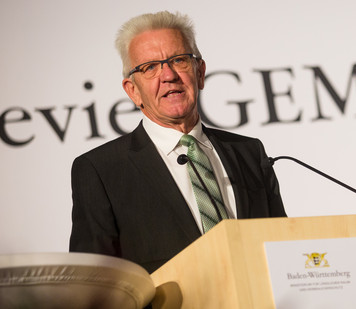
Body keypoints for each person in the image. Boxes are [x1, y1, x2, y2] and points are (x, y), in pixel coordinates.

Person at [69, 11, 286, 274]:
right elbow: (95, 282)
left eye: (179, 60)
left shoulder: (249, 153)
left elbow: (282, 246)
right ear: (133, 90)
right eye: (149, 67)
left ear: (201, 73)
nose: (169, 75)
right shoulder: (101, 170)